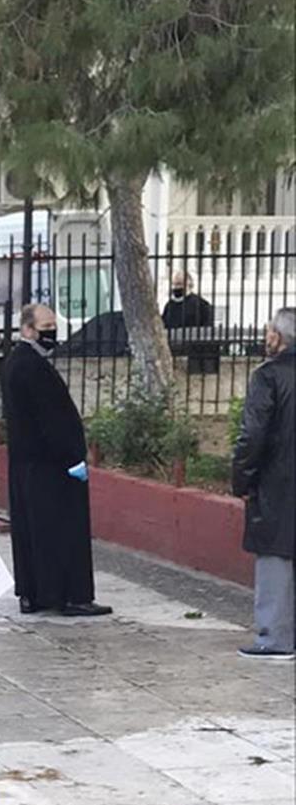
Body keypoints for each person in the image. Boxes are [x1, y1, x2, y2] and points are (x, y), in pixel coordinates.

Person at [2, 303, 112, 617]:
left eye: (53, 325)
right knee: (63, 531)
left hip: (27, 464)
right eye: (46, 326)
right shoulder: (32, 367)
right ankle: (72, 596)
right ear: (27, 330)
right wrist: (72, 456)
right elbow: (52, 419)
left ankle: (35, 593)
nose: (52, 332)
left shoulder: (16, 362)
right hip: (51, 466)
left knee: (34, 532)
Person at [232, 308, 295, 662]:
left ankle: (275, 638)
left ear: (277, 337)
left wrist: (242, 477)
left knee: (275, 557)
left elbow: (253, 434)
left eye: (268, 330)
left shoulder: (268, 376)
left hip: (277, 481)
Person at [163, 272, 219, 376]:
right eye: (174, 284)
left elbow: (207, 329)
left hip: (195, 352)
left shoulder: (201, 304)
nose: (176, 288)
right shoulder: (169, 306)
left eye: (179, 284)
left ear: (189, 285)